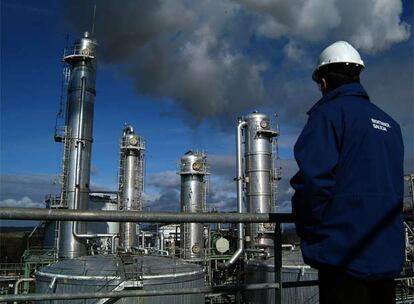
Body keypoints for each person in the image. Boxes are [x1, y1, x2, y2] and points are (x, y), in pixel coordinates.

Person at [290, 41, 405, 304]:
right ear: (358, 74)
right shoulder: (390, 124)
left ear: (324, 81)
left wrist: (313, 235)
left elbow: (313, 183)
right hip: (385, 252)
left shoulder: (328, 115)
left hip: (344, 256)